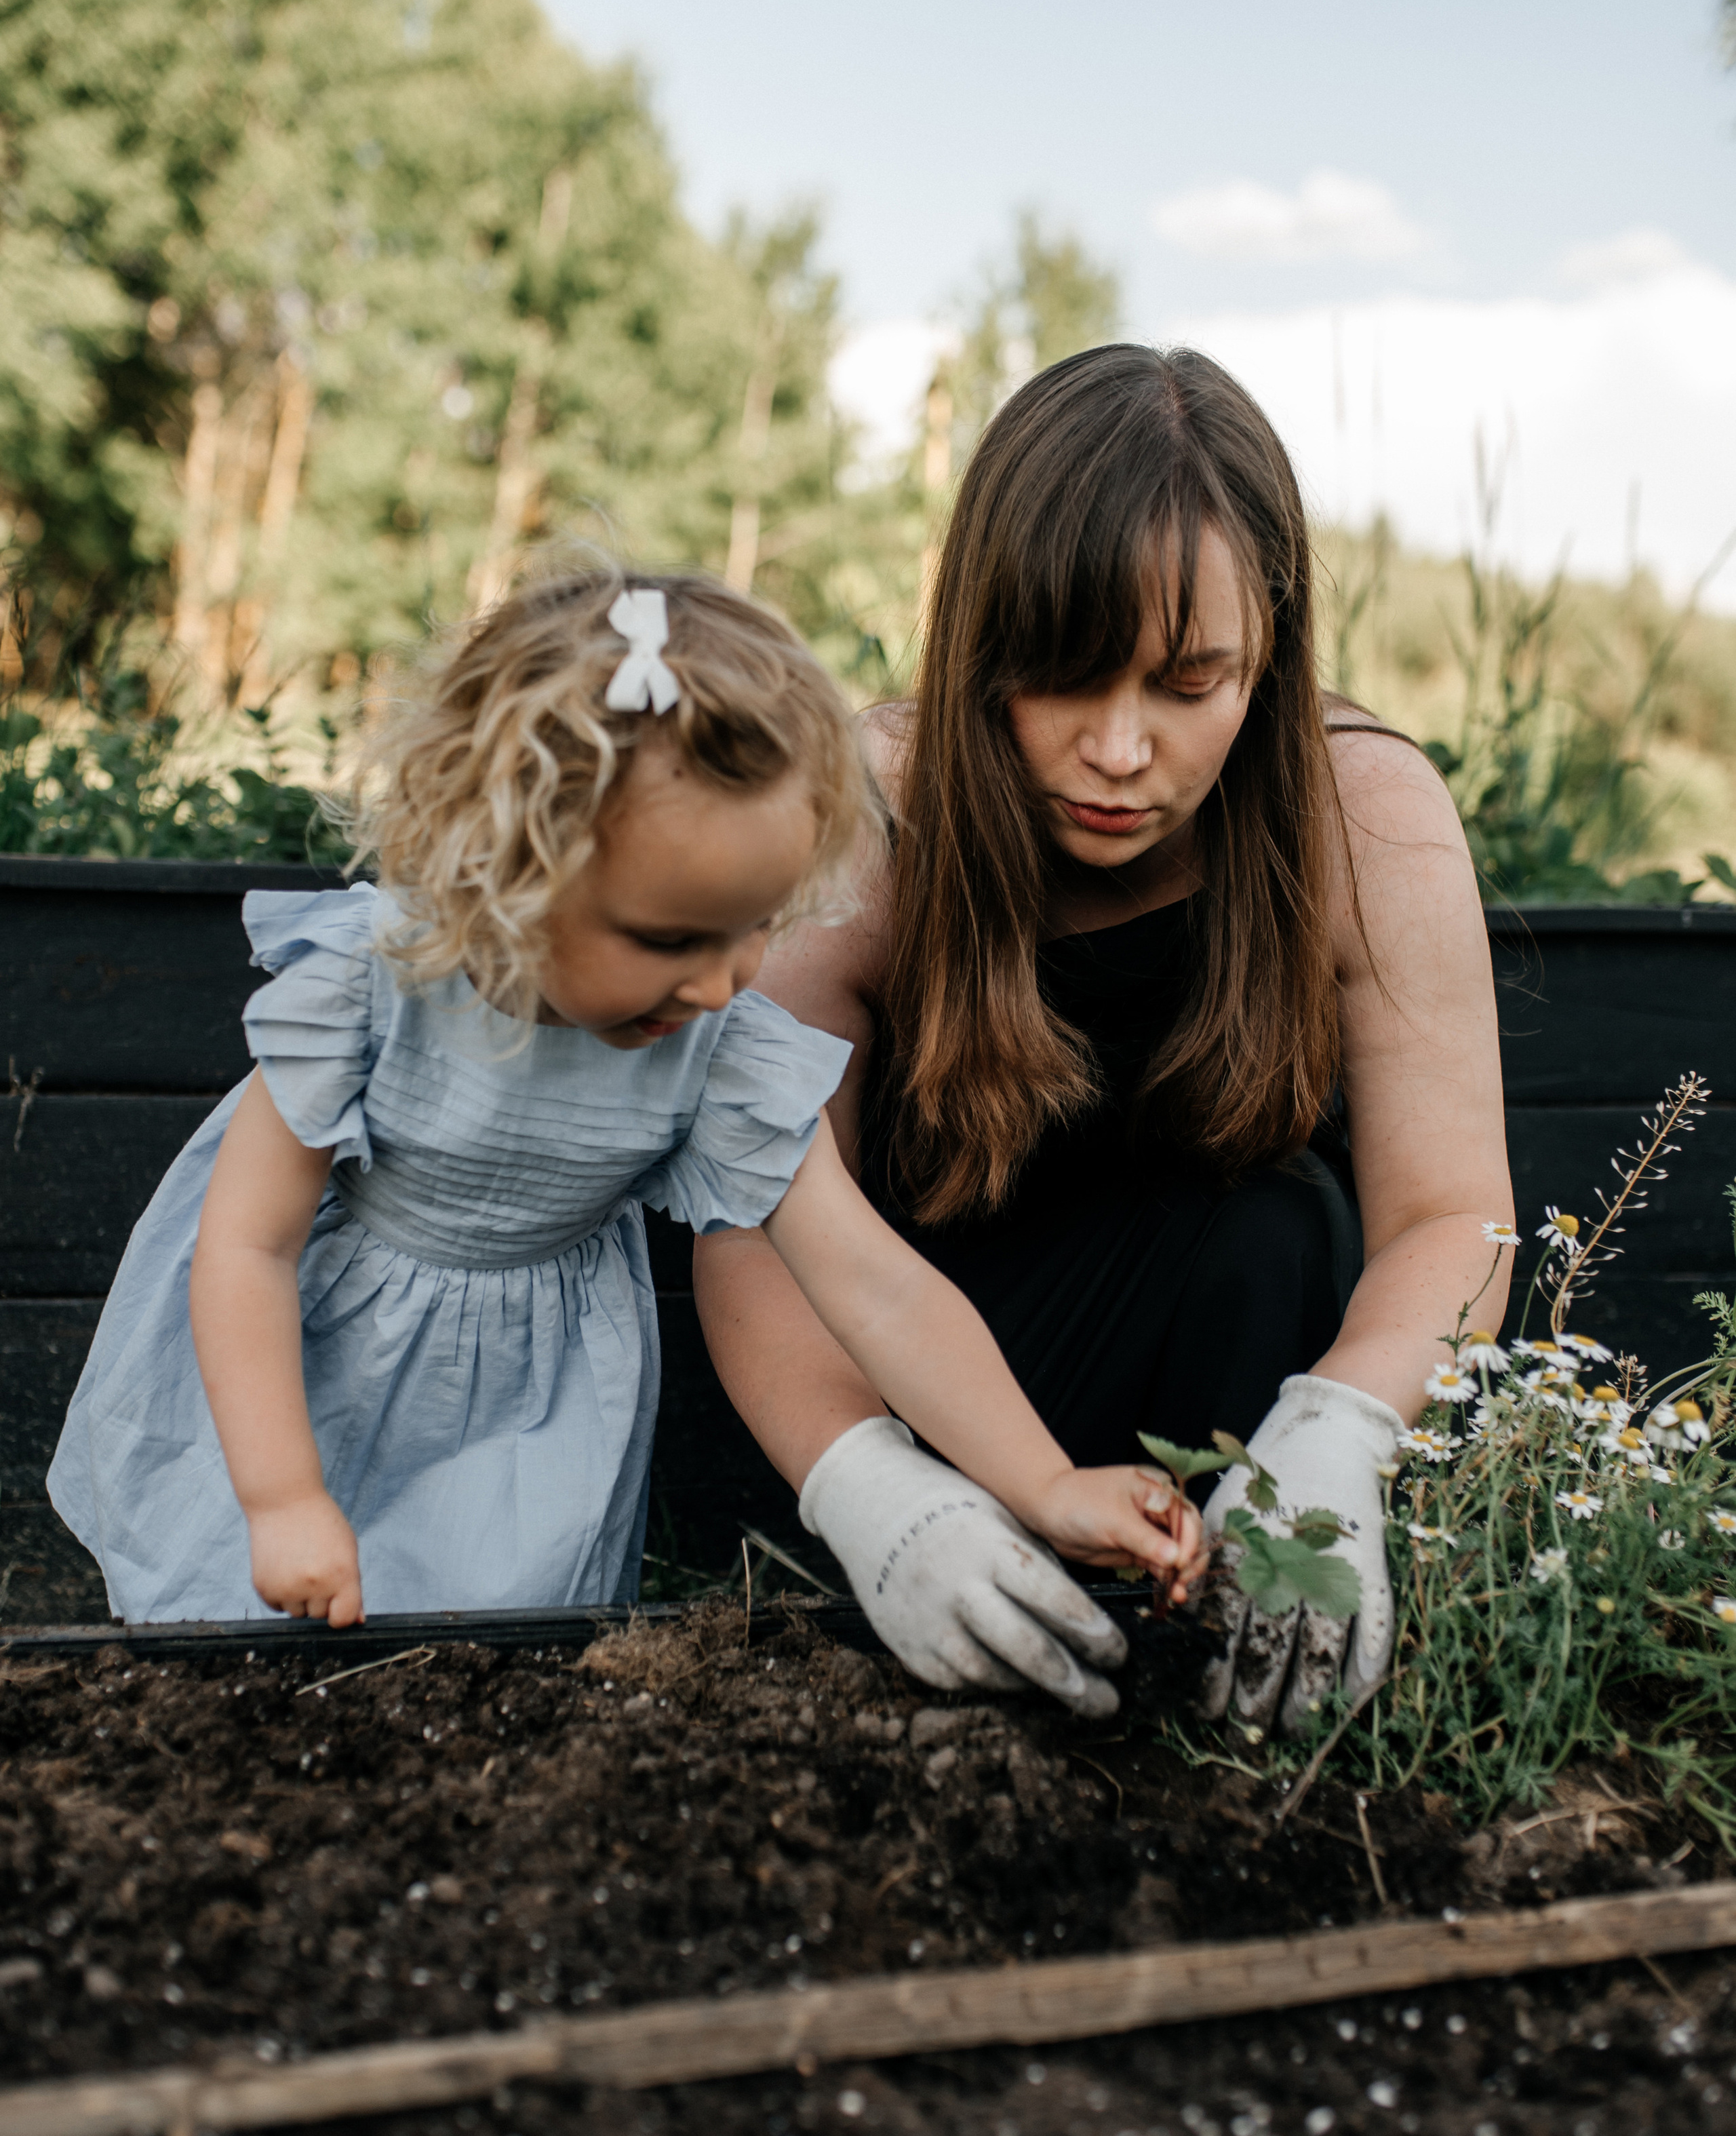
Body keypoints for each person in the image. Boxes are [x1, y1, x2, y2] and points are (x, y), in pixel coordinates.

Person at [49, 568, 1200, 1673]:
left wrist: (1042, 1482)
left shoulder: (714, 1050)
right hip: (301, 1358)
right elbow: (246, 1249)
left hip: (523, 1409)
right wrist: (282, 1492)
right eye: (668, 940)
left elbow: (874, 1284)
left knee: (477, 1664)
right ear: (509, 873)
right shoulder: (370, 995)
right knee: (239, 1631)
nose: (719, 983)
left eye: (752, 928)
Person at [694, 346, 1515, 1736]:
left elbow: (1450, 1215)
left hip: (1217, 1403)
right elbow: (760, 1221)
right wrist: (871, 1489)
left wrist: (1340, 1434)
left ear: (1271, 650)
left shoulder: (1358, 810)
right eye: (1067, 680)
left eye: (1190, 684)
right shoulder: (875, 811)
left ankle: (1214, 1662)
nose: (1121, 751)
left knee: (1276, 1221)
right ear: (979, 645)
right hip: (901, 1375)